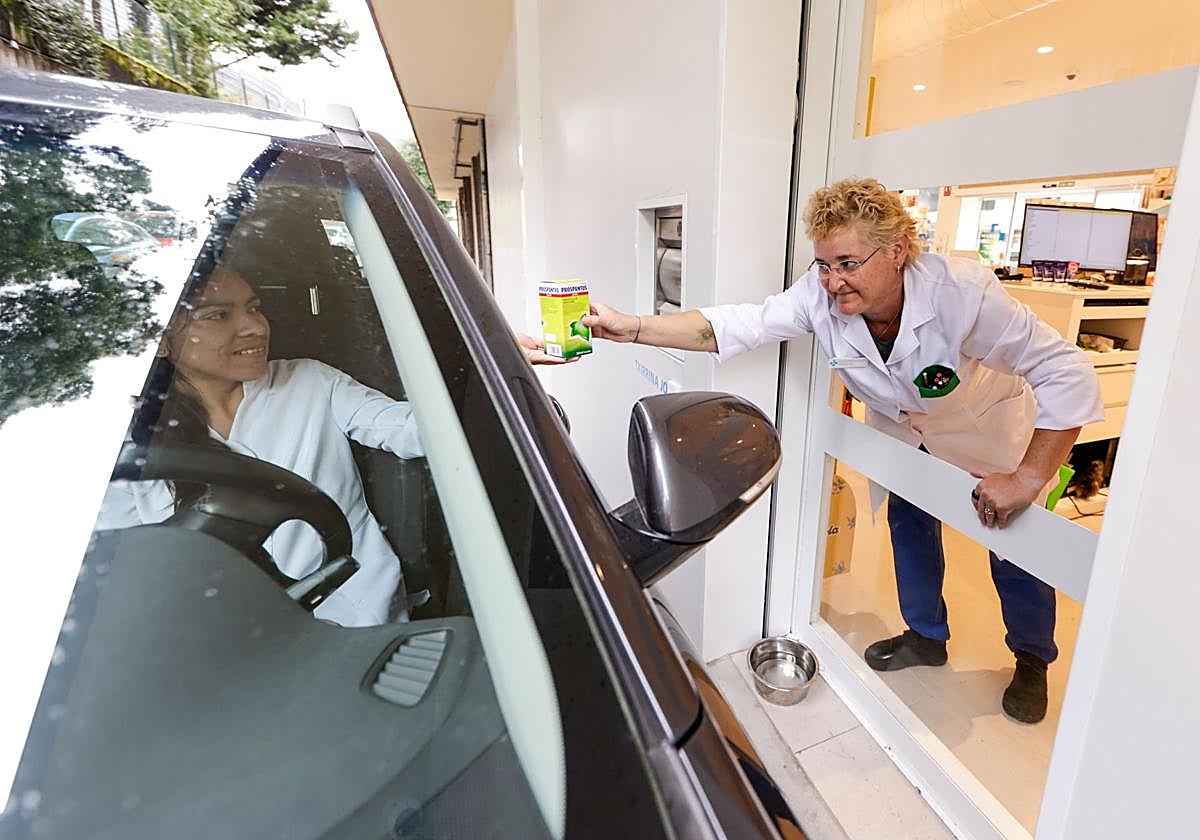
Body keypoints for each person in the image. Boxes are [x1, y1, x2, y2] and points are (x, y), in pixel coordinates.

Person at [584, 177, 1103, 723]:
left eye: (849, 263)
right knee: (909, 524)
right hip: (910, 437)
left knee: (1015, 548)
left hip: (987, 433)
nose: (832, 282)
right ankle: (926, 635)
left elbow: (1065, 369)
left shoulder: (961, 296)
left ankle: (1031, 658)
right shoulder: (821, 294)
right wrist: (636, 326)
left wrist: (1027, 477)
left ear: (897, 250)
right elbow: (741, 323)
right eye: (824, 265)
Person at [97, 263, 424, 628]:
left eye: (254, 307)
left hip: (355, 620)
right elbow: (123, 569)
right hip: (218, 644)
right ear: (161, 340)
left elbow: (409, 429)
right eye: (218, 315)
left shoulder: (311, 382)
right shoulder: (128, 439)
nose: (256, 327)